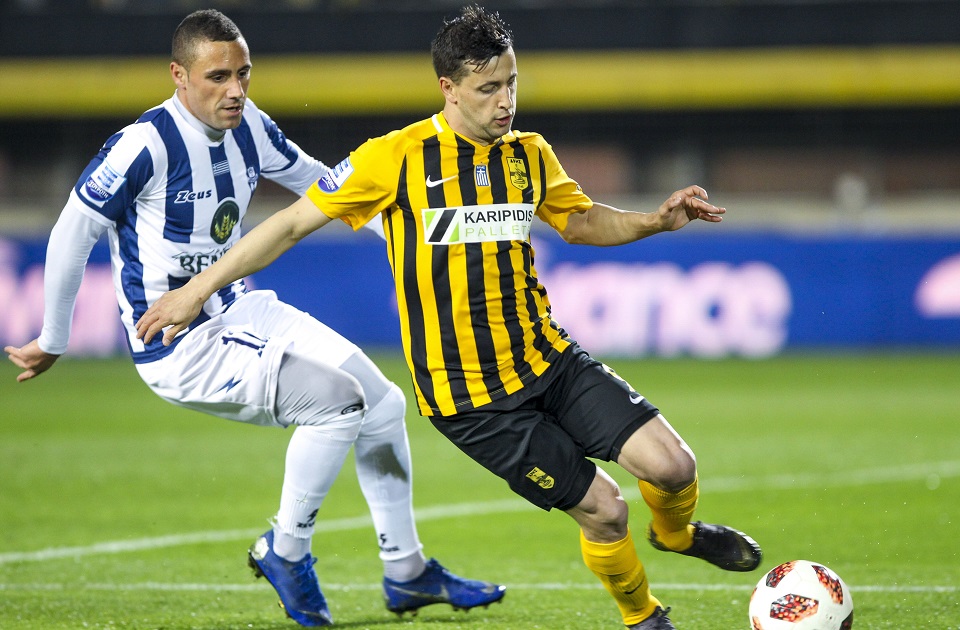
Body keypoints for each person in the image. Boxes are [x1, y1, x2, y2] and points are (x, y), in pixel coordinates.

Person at [133, 5, 762, 629]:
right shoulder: (395, 158)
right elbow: (290, 224)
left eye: (511, 83)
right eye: (488, 88)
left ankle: (676, 535)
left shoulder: (529, 154)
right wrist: (197, 290)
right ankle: (644, 617)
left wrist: (654, 221)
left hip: (548, 359)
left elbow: (580, 220)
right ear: (449, 88)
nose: (505, 101)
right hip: (471, 398)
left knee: (675, 467)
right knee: (605, 510)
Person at [3, 9, 506, 628]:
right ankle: (285, 551)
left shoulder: (251, 127)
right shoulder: (144, 144)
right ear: (179, 76)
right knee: (337, 403)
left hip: (240, 306)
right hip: (178, 341)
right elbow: (71, 233)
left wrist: (410, 237)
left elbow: (321, 184)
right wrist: (54, 336)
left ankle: (406, 571)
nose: (235, 90)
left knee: (383, 404)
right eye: (218, 76)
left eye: (243, 74)